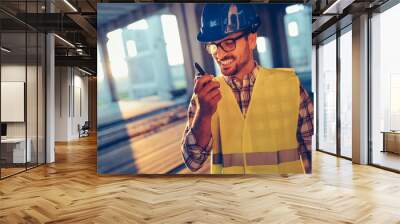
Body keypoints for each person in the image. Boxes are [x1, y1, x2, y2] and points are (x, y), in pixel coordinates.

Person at [181, 3, 313, 174]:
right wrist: (204, 114)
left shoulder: (290, 86)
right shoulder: (204, 97)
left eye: (228, 43)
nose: (219, 55)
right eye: (213, 45)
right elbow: (192, 162)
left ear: (251, 40)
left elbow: (313, 154)